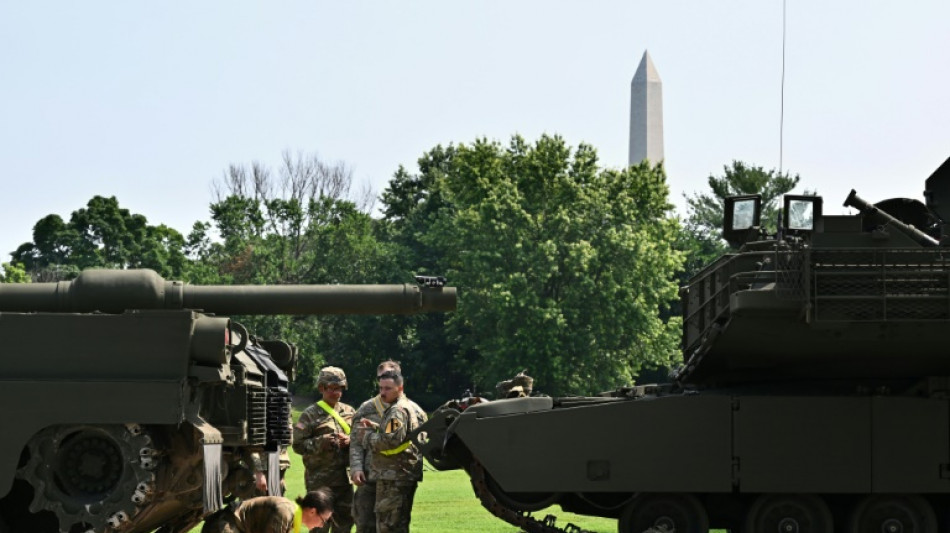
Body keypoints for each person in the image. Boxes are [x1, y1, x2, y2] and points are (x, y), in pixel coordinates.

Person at [356, 371, 427, 533]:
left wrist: (366, 436)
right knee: (399, 524)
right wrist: (375, 427)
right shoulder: (413, 408)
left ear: (400, 388)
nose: (382, 393)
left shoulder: (397, 411)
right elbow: (403, 436)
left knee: (388, 526)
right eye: (380, 388)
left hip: (393, 477)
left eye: (387, 388)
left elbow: (389, 441)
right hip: (404, 475)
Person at [292, 367, 356, 532]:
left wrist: (350, 440)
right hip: (319, 482)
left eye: (340, 388)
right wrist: (321, 442)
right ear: (322, 388)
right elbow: (297, 445)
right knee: (319, 526)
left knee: (344, 524)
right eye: (333, 388)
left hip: (344, 480)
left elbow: (361, 441)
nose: (337, 393)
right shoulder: (309, 415)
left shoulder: (350, 412)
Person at [349, 360, 401, 533]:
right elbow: (356, 442)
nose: (384, 382)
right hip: (369, 476)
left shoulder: (406, 409)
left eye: (389, 377)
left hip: (395, 478)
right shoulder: (367, 408)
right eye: (381, 378)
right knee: (364, 524)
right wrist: (356, 468)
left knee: (392, 526)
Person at [201, 489, 334, 533]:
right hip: (224, 527)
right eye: (323, 520)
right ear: (312, 511)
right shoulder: (285, 512)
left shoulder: (293, 516)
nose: (322, 525)